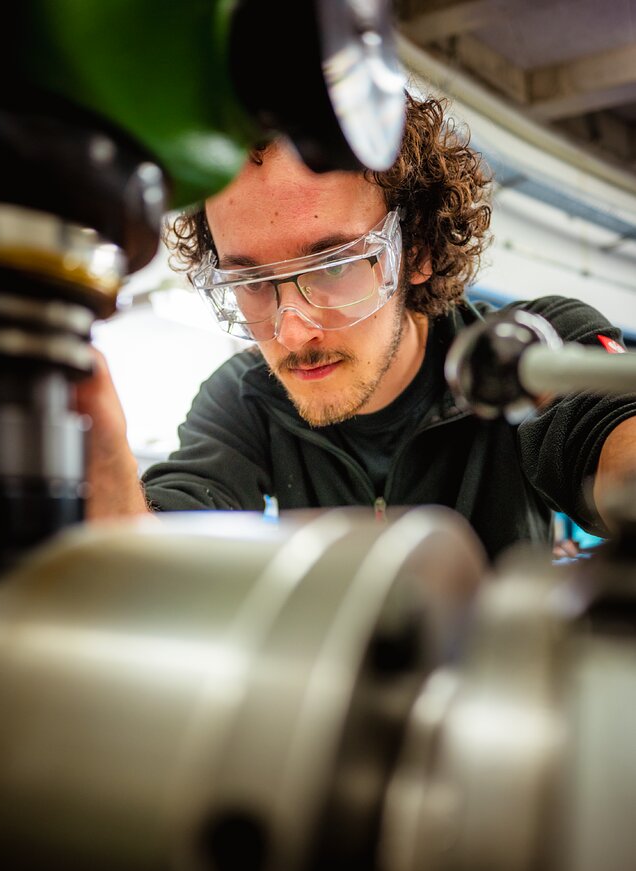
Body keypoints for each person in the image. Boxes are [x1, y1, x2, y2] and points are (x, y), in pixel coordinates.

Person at [77, 92, 636, 560]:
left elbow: (611, 431)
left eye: (336, 266)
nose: (293, 334)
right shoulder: (243, 399)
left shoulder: (528, 345)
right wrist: (106, 472)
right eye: (251, 282)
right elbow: (172, 545)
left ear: (414, 249)